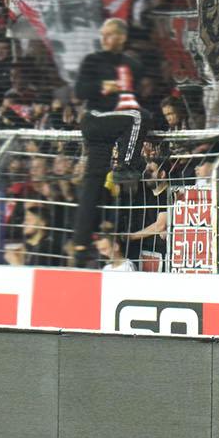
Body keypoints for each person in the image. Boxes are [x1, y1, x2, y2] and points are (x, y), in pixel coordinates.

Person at [69, 18, 148, 265]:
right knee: (138, 117)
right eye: (103, 34)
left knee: (92, 185)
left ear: (122, 37)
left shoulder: (132, 65)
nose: (105, 39)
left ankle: (80, 246)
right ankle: (125, 166)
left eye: (110, 34)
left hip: (111, 126)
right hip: (95, 119)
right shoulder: (93, 61)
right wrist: (104, 87)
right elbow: (81, 91)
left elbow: (137, 94)